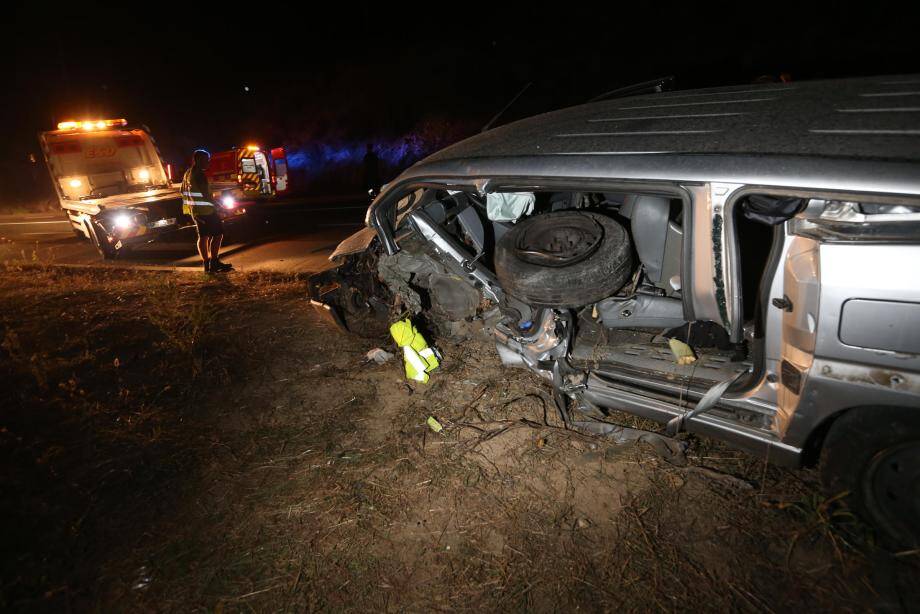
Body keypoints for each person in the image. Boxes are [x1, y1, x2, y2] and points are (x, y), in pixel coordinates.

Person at [181, 150, 232, 273]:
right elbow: (206, 194)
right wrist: (219, 206)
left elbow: (182, 191)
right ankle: (214, 262)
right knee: (218, 234)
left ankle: (207, 265)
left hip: (197, 211)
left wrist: (192, 208)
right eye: (206, 160)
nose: (208, 162)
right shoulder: (199, 174)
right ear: (198, 160)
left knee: (203, 236)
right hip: (207, 210)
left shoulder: (188, 173)